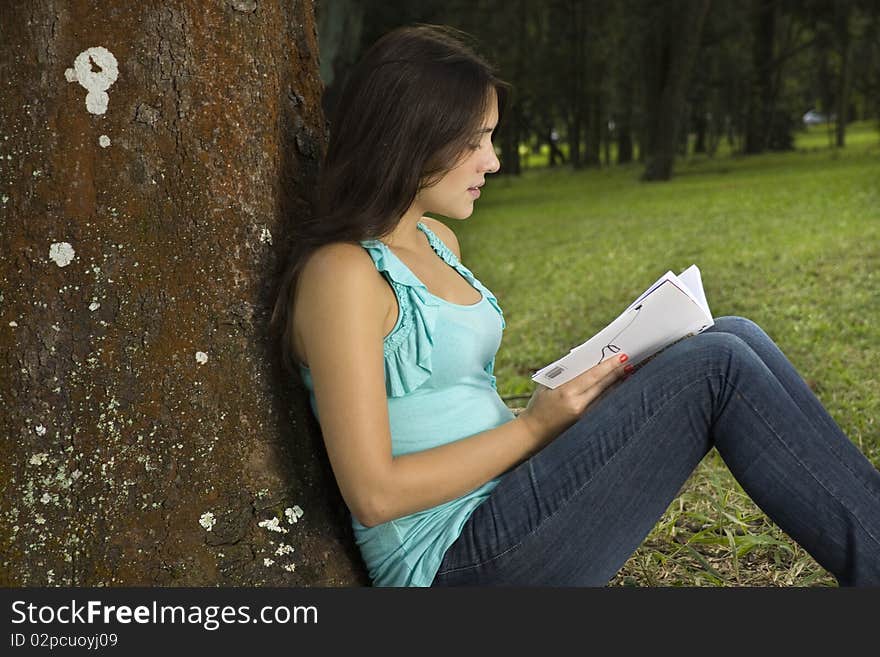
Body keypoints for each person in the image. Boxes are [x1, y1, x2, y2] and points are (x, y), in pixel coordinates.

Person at [269, 24, 880, 587]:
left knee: (732, 333)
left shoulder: (436, 240)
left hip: (511, 498)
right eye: (476, 140)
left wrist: (579, 398)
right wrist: (537, 426)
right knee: (717, 364)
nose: (494, 160)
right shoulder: (341, 274)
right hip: (455, 562)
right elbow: (374, 493)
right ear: (413, 136)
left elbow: (451, 405)